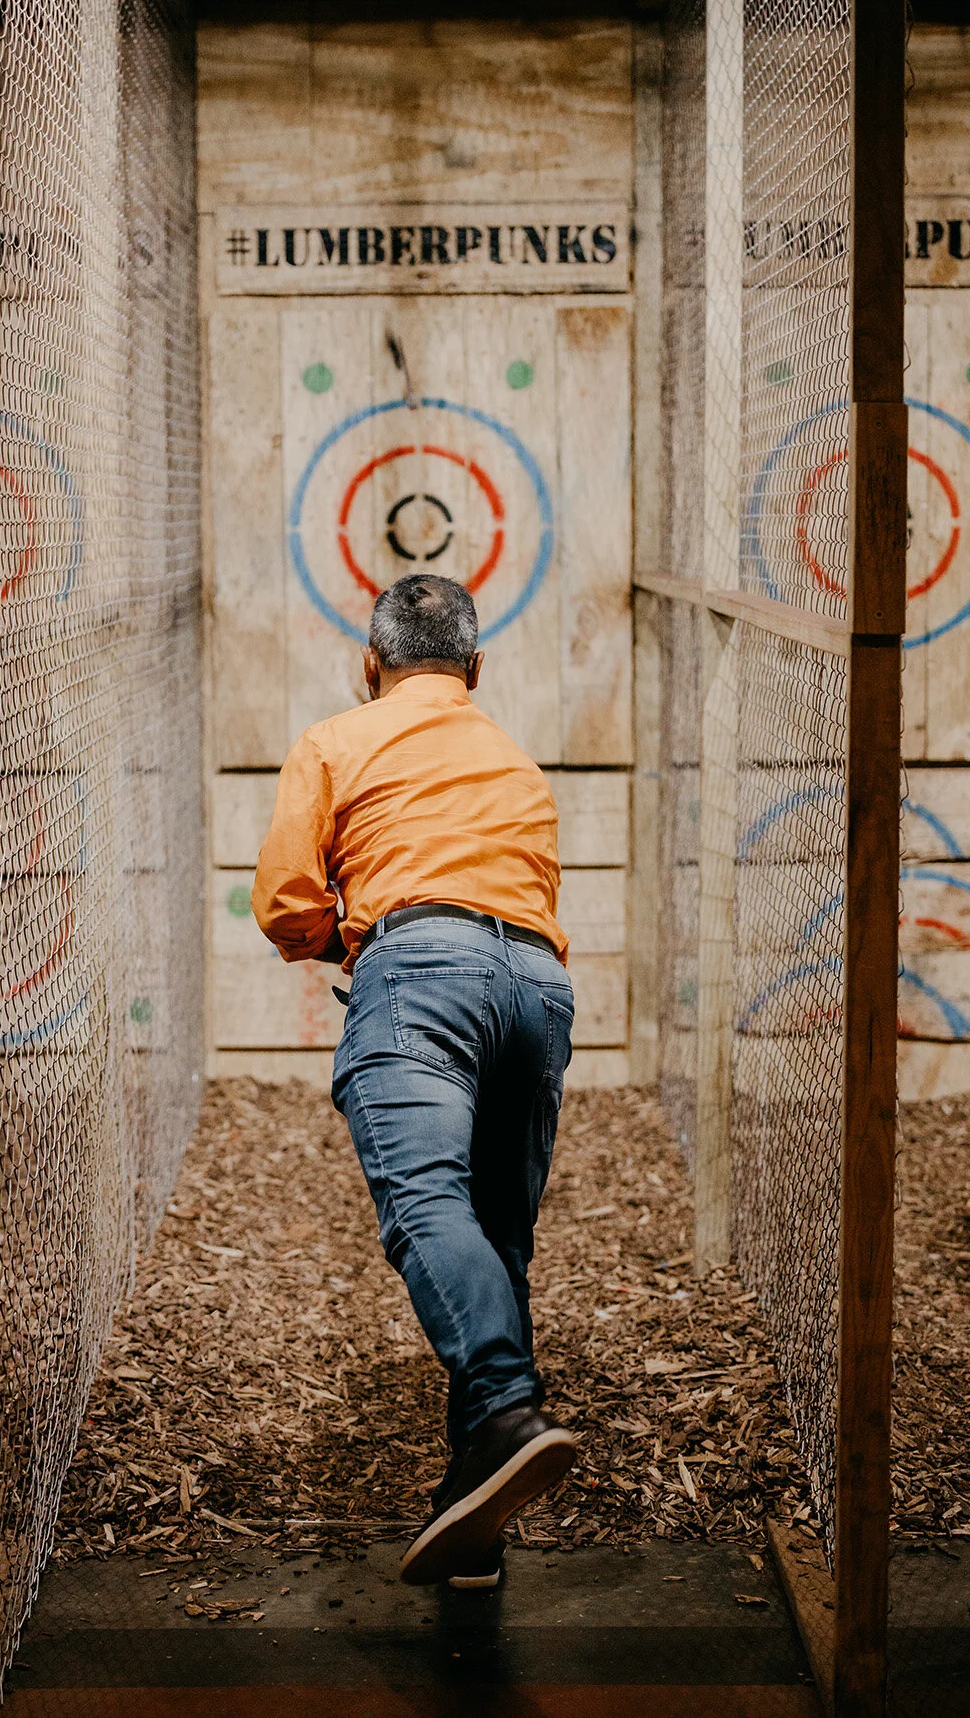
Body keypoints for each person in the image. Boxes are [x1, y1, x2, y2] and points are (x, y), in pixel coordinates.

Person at [251, 573, 577, 1587]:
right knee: (495, 1234)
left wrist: (350, 937)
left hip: (421, 970)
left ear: (370, 664)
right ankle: (473, 1512)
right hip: (537, 986)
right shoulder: (516, 762)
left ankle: (507, 1405)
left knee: (428, 1202)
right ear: (474, 667)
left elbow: (285, 901)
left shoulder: (334, 741)